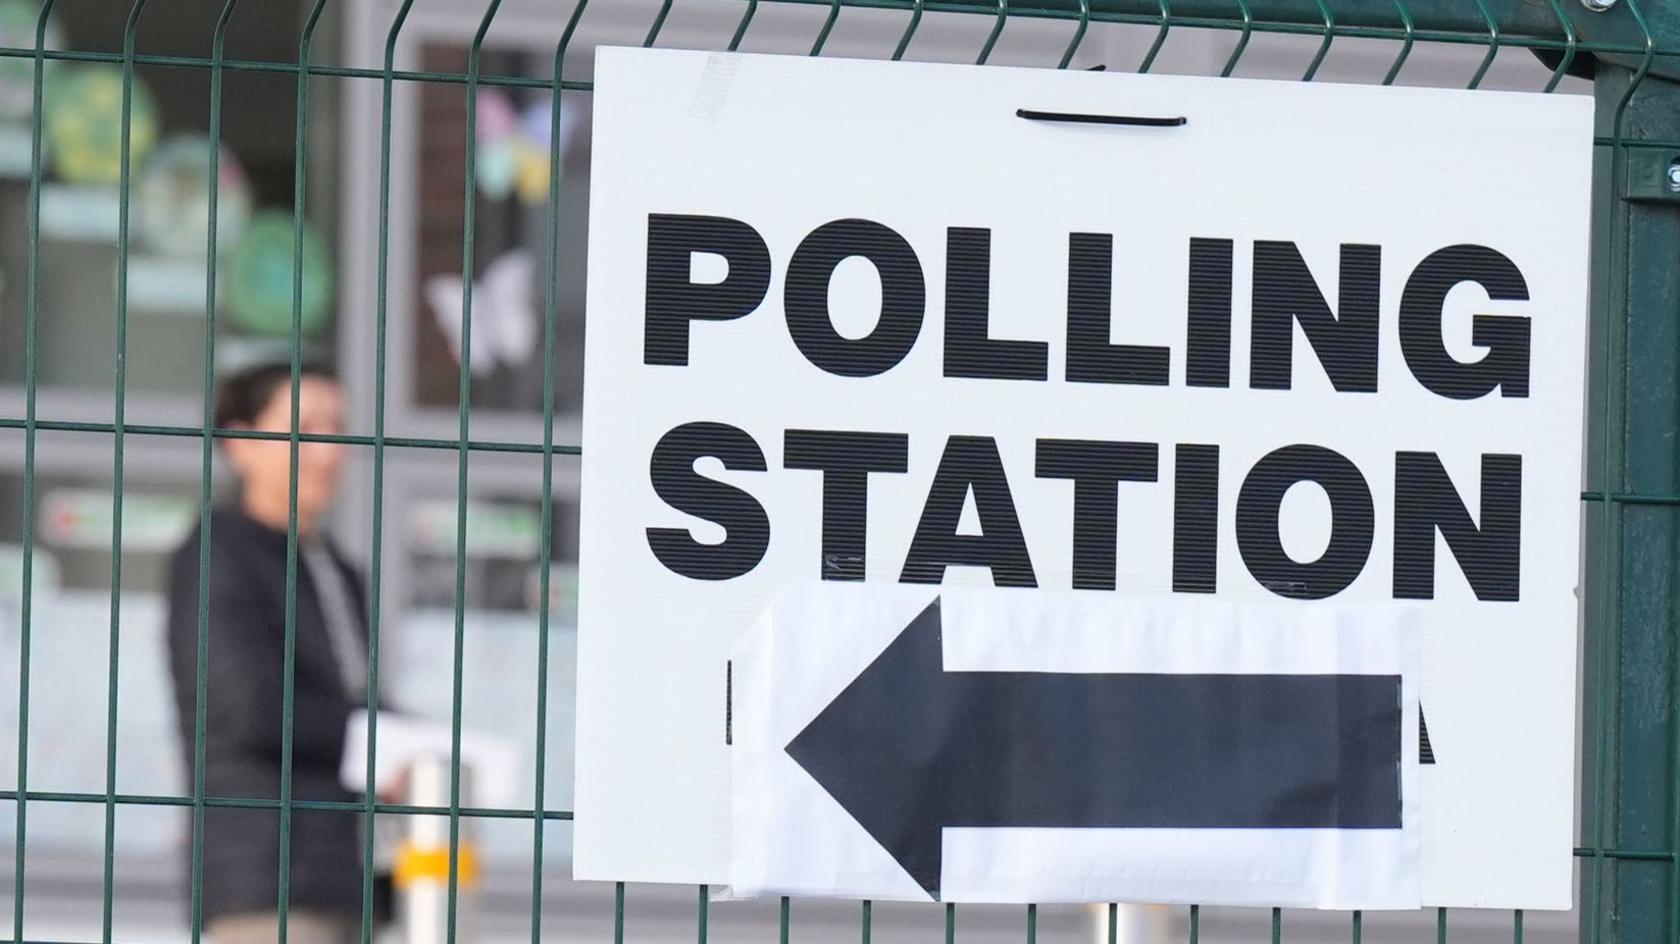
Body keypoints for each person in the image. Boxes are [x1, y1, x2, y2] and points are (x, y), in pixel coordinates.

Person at [165, 362, 381, 944]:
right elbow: (252, 710)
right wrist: (383, 743)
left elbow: (351, 699)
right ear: (240, 444)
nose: (329, 452)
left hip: (340, 875)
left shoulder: (335, 566)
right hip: (264, 879)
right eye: (305, 429)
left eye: (339, 429)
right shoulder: (219, 553)